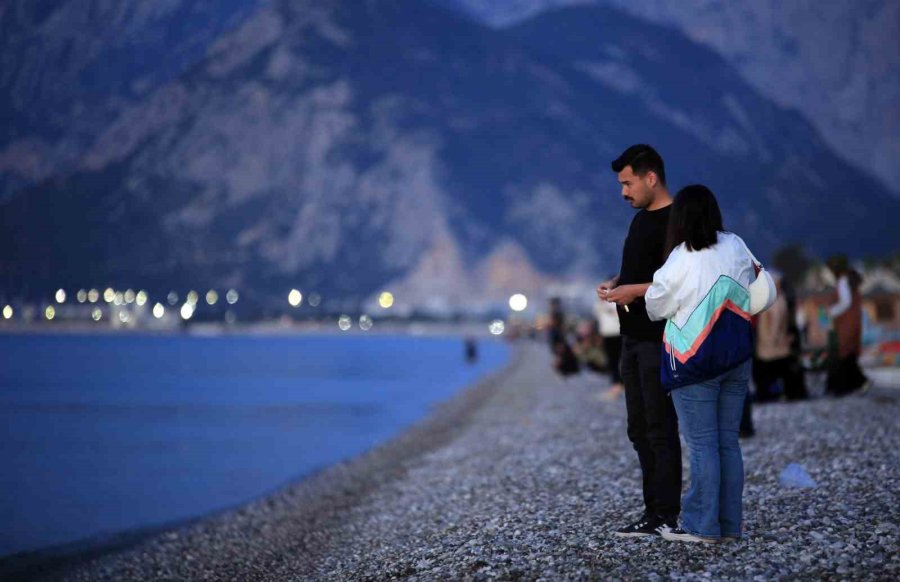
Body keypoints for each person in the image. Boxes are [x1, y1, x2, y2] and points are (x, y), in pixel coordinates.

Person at [644, 184, 761, 544]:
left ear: (679, 219)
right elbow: (758, 277)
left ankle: (700, 525)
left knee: (702, 445)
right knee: (728, 442)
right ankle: (729, 525)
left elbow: (655, 306)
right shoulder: (736, 244)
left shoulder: (680, 257)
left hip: (693, 361)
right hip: (736, 356)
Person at [598, 144, 682, 537]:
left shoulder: (678, 222)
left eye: (628, 183)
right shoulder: (639, 220)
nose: (623, 192)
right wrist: (618, 283)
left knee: (659, 428)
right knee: (638, 428)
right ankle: (653, 511)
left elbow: (683, 283)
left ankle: (666, 513)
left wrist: (634, 290)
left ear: (651, 178)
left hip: (657, 339)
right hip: (631, 338)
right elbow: (643, 271)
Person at [825, 255, 870, 396]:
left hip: (845, 323)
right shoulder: (850, 281)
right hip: (852, 322)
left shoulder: (843, 281)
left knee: (844, 355)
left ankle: (857, 382)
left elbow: (845, 302)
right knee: (848, 354)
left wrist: (831, 311)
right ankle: (855, 384)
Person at [595, 297, 624, 400]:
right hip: (607, 335)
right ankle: (616, 384)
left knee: (621, 360)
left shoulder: (615, 302)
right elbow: (599, 318)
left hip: (617, 333)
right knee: (612, 361)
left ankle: (620, 384)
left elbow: (619, 315)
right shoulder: (599, 304)